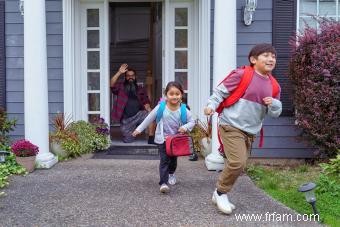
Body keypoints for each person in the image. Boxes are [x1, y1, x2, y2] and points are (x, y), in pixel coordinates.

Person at [204, 43, 282, 214]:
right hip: (231, 124)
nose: (271, 59)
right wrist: (211, 105)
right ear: (253, 59)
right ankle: (220, 192)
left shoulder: (274, 86)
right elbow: (220, 93)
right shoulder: (242, 74)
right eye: (266, 55)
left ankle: (219, 193)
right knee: (237, 162)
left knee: (239, 164)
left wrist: (275, 104)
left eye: (273, 56)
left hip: (251, 131)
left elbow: (274, 113)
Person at [132, 81, 195, 193]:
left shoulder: (184, 109)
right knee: (164, 160)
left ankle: (171, 173)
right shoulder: (161, 108)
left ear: (181, 95)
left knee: (173, 161)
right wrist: (139, 129)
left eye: (177, 94)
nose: (174, 96)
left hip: (175, 140)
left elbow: (192, 121)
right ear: (166, 95)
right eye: (171, 94)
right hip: (163, 139)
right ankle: (163, 183)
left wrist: (185, 127)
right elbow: (149, 118)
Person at [110, 64, 155, 143]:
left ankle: (151, 138)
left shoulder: (140, 89)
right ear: (125, 77)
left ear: (135, 77)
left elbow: (146, 101)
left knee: (151, 115)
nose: (130, 77)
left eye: (132, 75)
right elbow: (111, 84)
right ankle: (134, 128)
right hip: (126, 120)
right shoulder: (121, 87)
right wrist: (119, 72)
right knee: (128, 140)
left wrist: (149, 109)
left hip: (138, 115)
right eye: (128, 76)